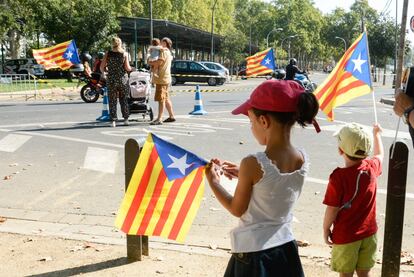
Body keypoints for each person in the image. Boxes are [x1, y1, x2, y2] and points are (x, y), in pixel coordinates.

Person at [205, 79, 320, 277]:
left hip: (253, 253)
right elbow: (275, 186)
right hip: (285, 246)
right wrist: (245, 175)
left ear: (264, 121)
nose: (251, 128)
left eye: (251, 122)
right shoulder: (302, 158)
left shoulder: (252, 162)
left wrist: (213, 181)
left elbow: (236, 208)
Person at [323, 123, 384, 277]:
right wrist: (376, 134)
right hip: (369, 234)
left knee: (345, 274)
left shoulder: (338, 178)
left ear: (340, 150)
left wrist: (326, 229)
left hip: (346, 236)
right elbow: (379, 155)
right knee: (365, 273)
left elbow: (332, 208)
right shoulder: (371, 167)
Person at [100, 37, 132, 127]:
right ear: (120, 43)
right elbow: (127, 68)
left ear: (112, 44)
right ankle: (126, 119)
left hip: (111, 79)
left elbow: (102, 67)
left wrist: (104, 73)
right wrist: (132, 69)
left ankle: (113, 121)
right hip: (123, 79)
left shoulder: (108, 54)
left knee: (112, 100)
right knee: (124, 99)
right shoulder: (124, 54)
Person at [149, 37, 176, 125]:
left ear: (165, 43)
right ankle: (171, 116)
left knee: (161, 99)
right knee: (166, 98)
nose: (160, 44)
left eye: (161, 42)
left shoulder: (163, 52)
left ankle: (159, 118)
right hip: (167, 78)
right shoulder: (169, 52)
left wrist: (150, 62)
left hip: (162, 78)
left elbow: (159, 62)